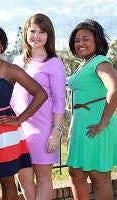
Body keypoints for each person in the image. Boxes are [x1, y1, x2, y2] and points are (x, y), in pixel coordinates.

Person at [0, 23, 48, 200]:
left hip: (5, 131)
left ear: (2, 45)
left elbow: (41, 94)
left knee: (7, 180)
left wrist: (18, 120)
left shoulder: (11, 69)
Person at [10, 13, 66, 200]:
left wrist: (55, 131)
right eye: (33, 30)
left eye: (42, 32)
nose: (36, 35)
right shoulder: (17, 61)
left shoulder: (54, 63)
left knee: (43, 178)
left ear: (49, 35)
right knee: (24, 178)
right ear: (26, 32)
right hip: (19, 129)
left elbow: (59, 99)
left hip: (43, 129)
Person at [66, 19, 117, 200]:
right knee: (75, 173)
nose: (80, 43)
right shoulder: (84, 64)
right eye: (77, 40)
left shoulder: (101, 61)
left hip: (97, 125)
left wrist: (102, 124)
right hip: (82, 125)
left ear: (97, 40)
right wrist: (73, 126)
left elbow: (115, 88)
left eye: (85, 39)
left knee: (99, 178)